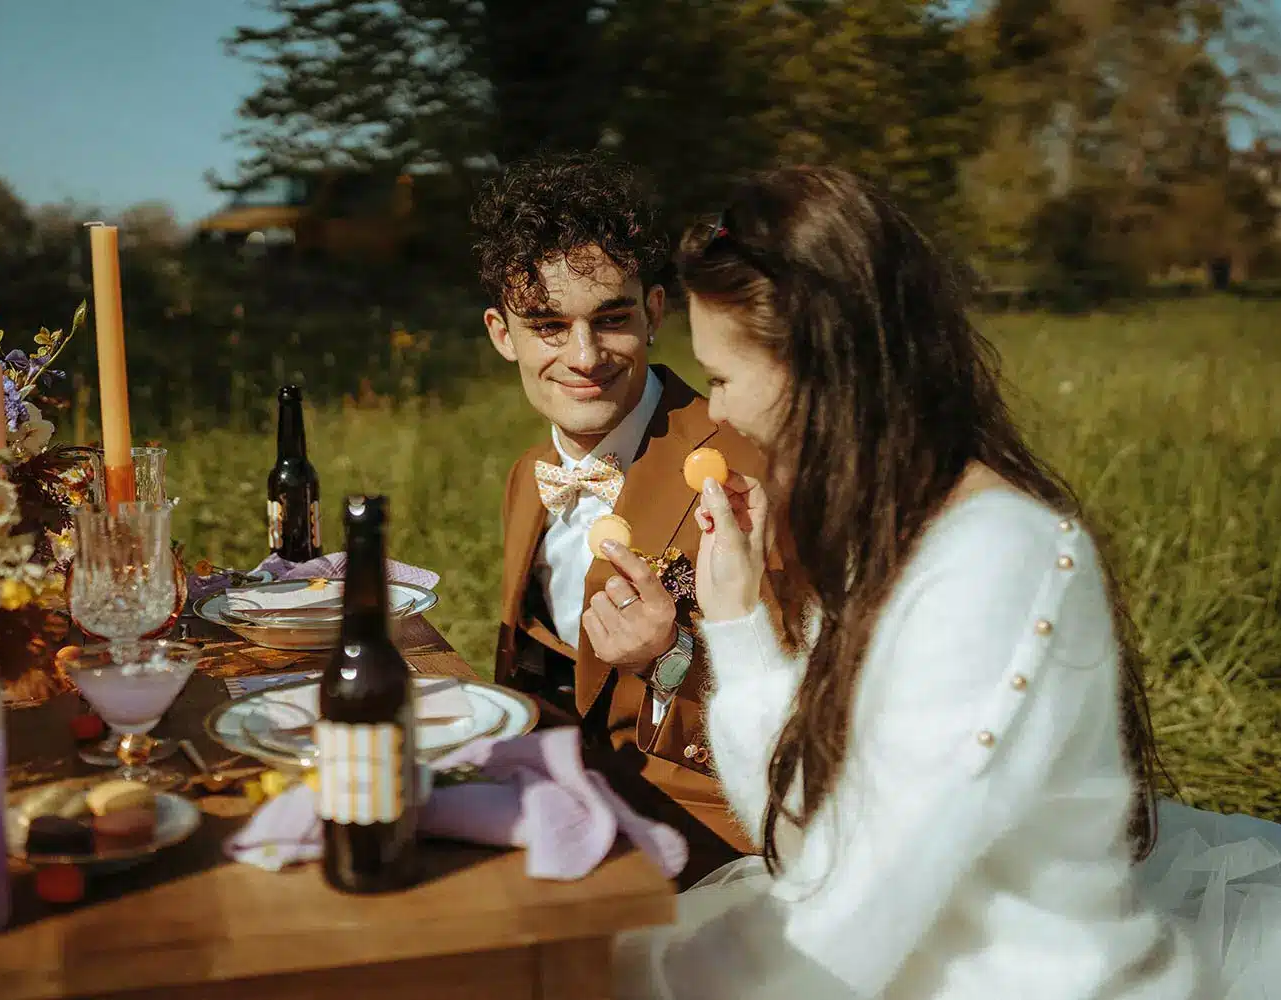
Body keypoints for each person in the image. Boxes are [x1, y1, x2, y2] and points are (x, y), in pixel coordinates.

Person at [612, 166, 1233, 999]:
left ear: (821, 369)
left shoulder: (995, 563)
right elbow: (800, 837)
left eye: (722, 376)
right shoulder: (886, 531)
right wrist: (735, 626)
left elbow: (862, 907)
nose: (715, 412)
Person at [471, 151, 772, 888]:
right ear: (502, 334)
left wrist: (670, 660)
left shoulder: (751, 469)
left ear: (656, 313)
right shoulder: (524, 476)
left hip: (714, 849)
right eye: (547, 326)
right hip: (561, 818)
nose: (584, 356)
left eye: (611, 319)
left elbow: (820, 713)